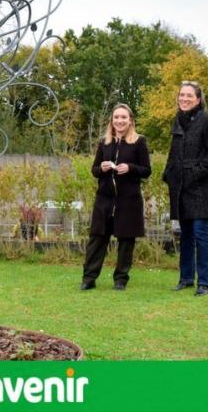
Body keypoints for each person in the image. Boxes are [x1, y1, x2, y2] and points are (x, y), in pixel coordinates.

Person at [80, 103, 151, 291]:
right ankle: (88, 279)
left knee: (126, 241)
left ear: (130, 121)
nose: (119, 121)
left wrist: (130, 168)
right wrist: (101, 168)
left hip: (128, 202)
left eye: (123, 117)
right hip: (104, 201)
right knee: (97, 240)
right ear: (112, 121)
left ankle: (120, 279)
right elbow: (94, 170)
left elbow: (146, 170)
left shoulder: (139, 142)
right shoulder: (104, 142)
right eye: (116, 117)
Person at [163, 81, 208, 296]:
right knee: (185, 233)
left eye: (189, 95)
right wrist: (168, 174)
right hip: (179, 186)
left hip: (200, 187)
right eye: (181, 95)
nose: (184, 99)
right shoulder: (177, 121)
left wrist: (195, 173)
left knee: (200, 232)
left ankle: (205, 282)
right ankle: (186, 277)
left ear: (198, 99)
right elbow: (173, 152)